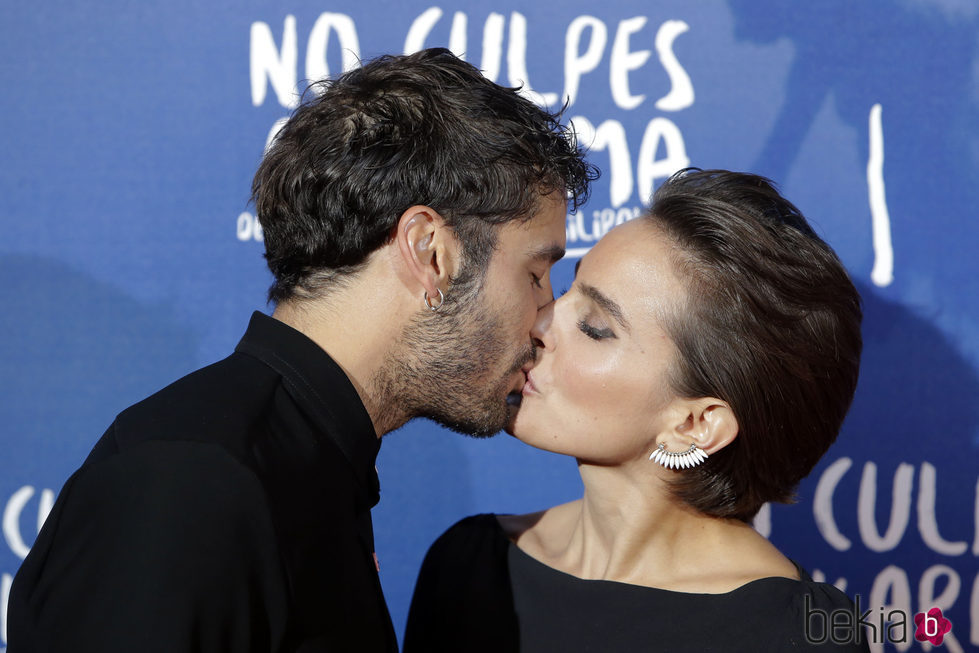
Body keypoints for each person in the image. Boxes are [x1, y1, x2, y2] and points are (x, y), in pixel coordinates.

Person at [7, 48, 595, 652]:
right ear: (431, 253)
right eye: (534, 274)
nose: (545, 318)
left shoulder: (301, 462)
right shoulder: (193, 483)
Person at [404, 169, 869, 652]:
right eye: (565, 291)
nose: (540, 320)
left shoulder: (792, 636)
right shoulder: (473, 563)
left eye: (595, 327)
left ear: (693, 424)